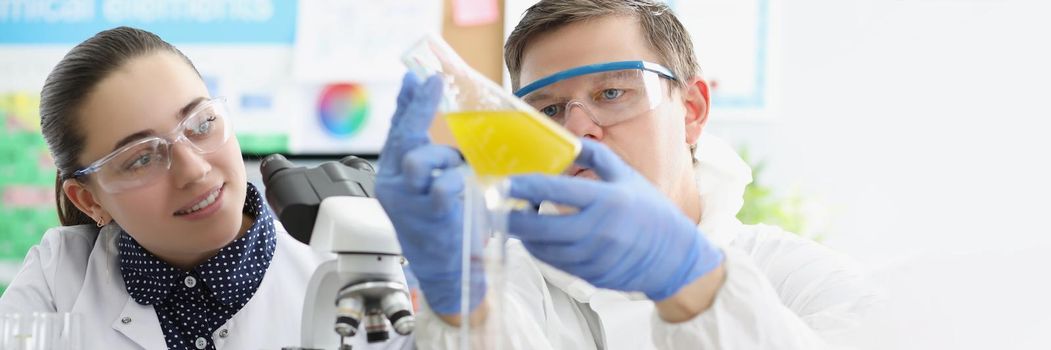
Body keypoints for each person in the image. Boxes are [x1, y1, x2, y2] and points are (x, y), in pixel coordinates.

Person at [376, 0, 878, 349]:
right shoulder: (504, 284)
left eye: (612, 93)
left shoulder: (805, 282)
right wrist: (461, 310)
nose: (576, 133)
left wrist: (689, 279)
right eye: (547, 111)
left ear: (692, 110)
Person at [0, 27, 412, 350]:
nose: (194, 171)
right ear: (90, 199)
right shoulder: (60, 279)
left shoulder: (354, 264)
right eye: (141, 158)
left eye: (201, 124)